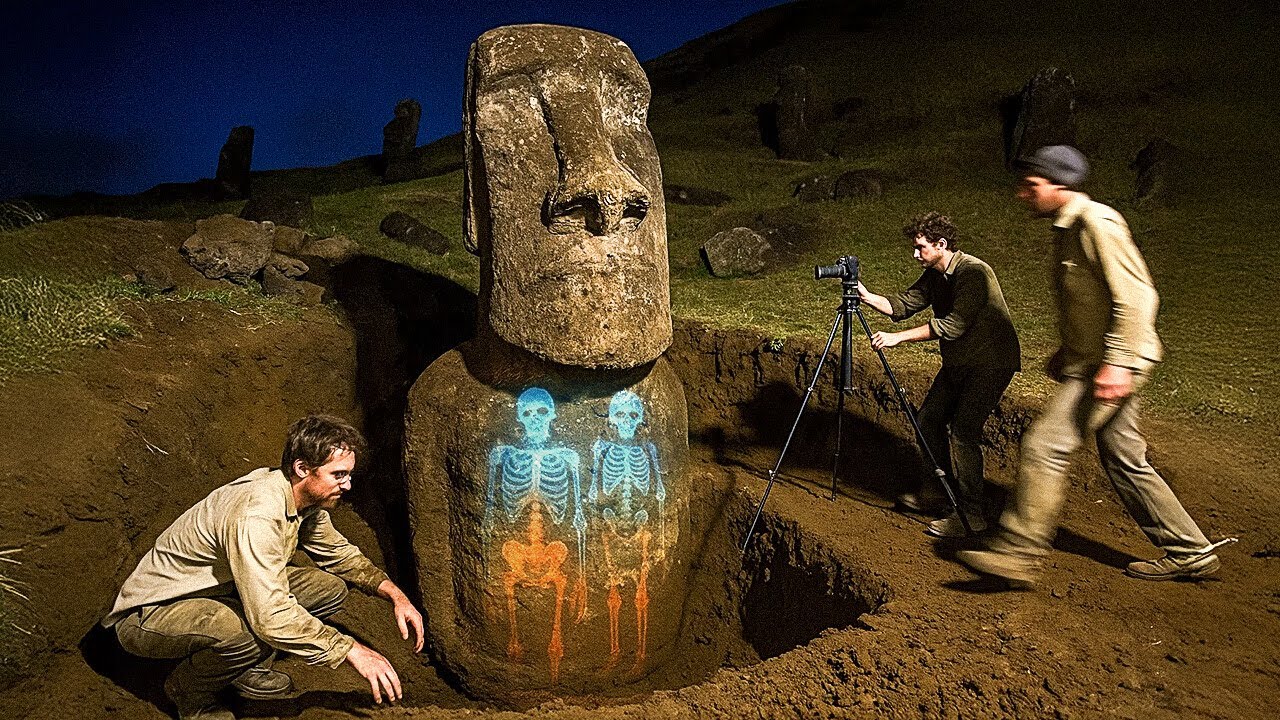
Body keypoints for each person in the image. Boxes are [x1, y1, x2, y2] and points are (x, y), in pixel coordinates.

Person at [958, 145, 1222, 586]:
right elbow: (1090, 298)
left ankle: (1018, 554)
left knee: (1046, 445)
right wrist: (1070, 351)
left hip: (1112, 365)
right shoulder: (1068, 228)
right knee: (1125, 459)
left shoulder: (1097, 224)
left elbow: (1138, 297)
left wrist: (1117, 364)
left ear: (1059, 185)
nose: (1023, 195)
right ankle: (1190, 550)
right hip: (1096, 361)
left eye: (1031, 186)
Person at [102, 415, 424, 720]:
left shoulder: (304, 500)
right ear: (302, 469)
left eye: (348, 475)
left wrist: (396, 595)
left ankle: (245, 666)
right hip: (150, 613)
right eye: (338, 475)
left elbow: (339, 554)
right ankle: (190, 693)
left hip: (219, 589)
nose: (348, 485)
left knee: (329, 590)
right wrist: (350, 650)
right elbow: (270, 617)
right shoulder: (257, 515)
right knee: (241, 633)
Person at [859, 211, 1021, 537]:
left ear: (941, 244)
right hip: (960, 363)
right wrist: (863, 294)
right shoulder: (935, 274)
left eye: (920, 247)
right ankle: (938, 492)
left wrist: (897, 338)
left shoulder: (973, 273)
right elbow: (903, 305)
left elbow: (952, 326)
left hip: (990, 363)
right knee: (928, 419)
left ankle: (971, 514)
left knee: (963, 431)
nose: (915, 254)